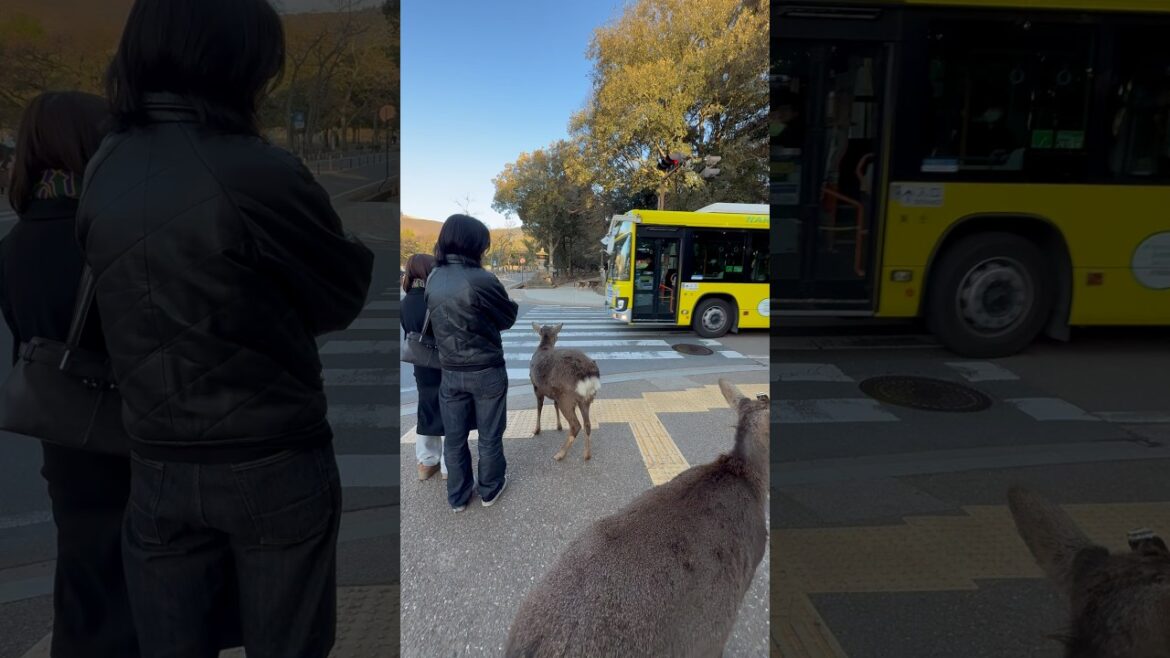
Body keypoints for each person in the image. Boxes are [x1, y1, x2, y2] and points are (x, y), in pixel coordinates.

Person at [75, 0, 374, 655]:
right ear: (238, 62)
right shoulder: (257, 169)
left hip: (155, 459)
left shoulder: (105, 166)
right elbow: (342, 293)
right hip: (273, 454)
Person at [0, 92, 139, 658]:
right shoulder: (115, 233)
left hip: (63, 439)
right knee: (143, 589)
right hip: (131, 431)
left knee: (83, 584)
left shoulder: (14, 245)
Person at [425, 214, 518, 512]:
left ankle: (458, 497)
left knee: (454, 438)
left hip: (450, 372)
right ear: (473, 243)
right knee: (489, 436)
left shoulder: (434, 277)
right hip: (486, 371)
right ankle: (489, 490)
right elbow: (507, 318)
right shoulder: (482, 279)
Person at [401, 253, 446, 481]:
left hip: (420, 365)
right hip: (443, 362)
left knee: (426, 407)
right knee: (450, 408)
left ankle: (426, 463)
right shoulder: (435, 299)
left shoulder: (406, 301)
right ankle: (449, 467)